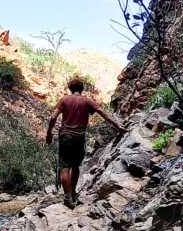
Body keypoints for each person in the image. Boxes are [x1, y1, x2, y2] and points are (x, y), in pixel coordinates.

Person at [46, 76, 127, 209]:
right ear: (82, 89)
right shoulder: (88, 101)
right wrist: (117, 127)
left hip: (65, 136)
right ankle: (73, 193)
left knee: (65, 167)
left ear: (71, 89)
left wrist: (49, 133)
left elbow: (53, 116)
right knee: (76, 166)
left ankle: (67, 198)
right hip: (79, 137)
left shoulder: (64, 100)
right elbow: (103, 113)